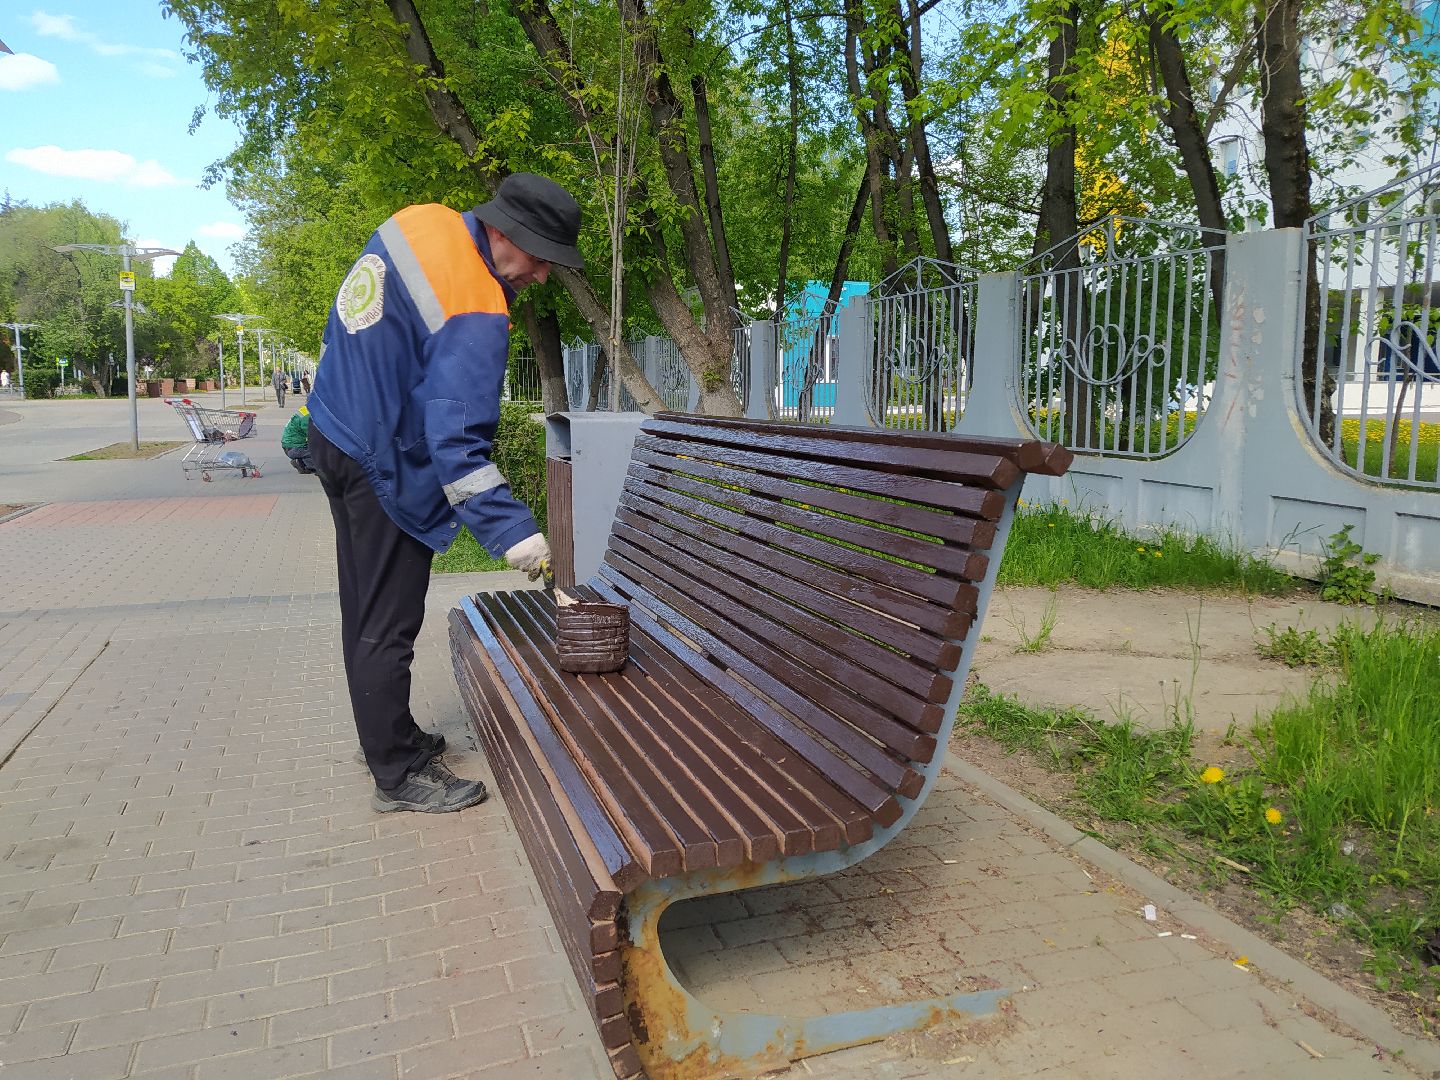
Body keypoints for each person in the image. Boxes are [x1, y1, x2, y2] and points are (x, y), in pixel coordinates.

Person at [307, 172, 580, 814]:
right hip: (379, 462)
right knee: (388, 622)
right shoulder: (476, 302)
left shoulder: (421, 222)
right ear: (509, 235)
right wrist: (526, 545)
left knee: (363, 606)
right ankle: (396, 776)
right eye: (542, 259)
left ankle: (390, 736)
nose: (540, 277)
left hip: (334, 428)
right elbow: (460, 451)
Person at [281, 406, 316, 474]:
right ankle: (304, 464)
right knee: (318, 452)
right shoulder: (307, 417)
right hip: (294, 447)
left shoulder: (305, 409)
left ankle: (302, 464)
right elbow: (312, 435)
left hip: (290, 445)